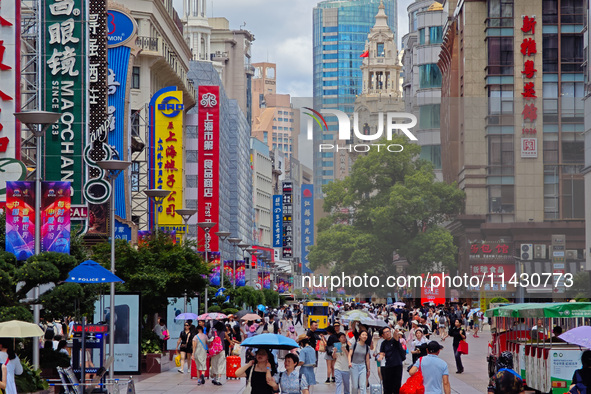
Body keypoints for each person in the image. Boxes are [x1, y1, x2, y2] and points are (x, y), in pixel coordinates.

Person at [378, 326, 407, 394]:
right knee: (387, 386)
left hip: (397, 365)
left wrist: (395, 332)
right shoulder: (383, 343)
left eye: (388, 331)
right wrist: (380, 357)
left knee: (396, 386)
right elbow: (382, 353)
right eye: (385, 332)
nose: (387, 333)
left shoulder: (395, 340)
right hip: (388, 366)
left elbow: (396, 337)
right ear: (383, 335)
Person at [348, 330, 371, 394]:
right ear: (359, 336)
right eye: (363, 335)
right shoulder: (354, 344)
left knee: (363, 386)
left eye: (366, 335)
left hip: (362, 366)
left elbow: (367, 360)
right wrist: (349, 362)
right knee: (355, 386)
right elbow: (349, 354)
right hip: (354, 366)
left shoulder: (367, 347)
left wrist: (368, 370)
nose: (364, 336)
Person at [209, 320, 227, 386]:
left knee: (214, 364)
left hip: (214, 351)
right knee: (221, 364)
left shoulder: (214, 333)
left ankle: (214, 378)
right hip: (222, 350)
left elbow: (210, 339)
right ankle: (219, 379)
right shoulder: (223, 333)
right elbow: (226, 339)